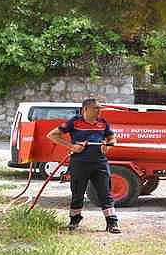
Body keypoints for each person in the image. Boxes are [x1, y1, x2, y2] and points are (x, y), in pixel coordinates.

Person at [47, 98, 121, 233]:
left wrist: (108, 146)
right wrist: (71, 146)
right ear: (85, 109)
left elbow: (112, 138)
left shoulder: (103, 123)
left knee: (105, 193)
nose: (99, 111)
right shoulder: (75, 122)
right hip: (80, 163)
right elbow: (52, 135)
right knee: (77, 193)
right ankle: (74, 220)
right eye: (96, 108)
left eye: (99, 108)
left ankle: (112, 222)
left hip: (100, 163)